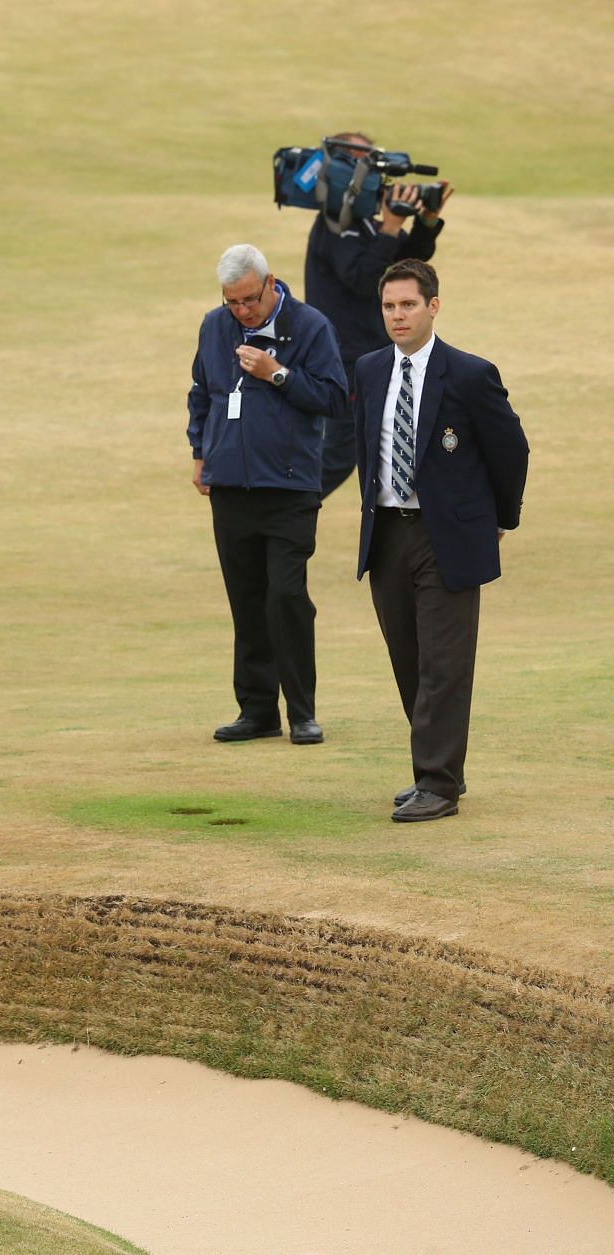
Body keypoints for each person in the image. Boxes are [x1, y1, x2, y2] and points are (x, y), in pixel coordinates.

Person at [354, 260, 526, 822]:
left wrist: (500, 518)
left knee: (444, 665)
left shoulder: (471, 374)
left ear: (433, 306)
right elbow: (366, 450)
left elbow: (510, 450)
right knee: (409, 659)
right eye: (388, 306)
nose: (397, 316)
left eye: (407, 305)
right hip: (387, 534)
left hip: (447, 537)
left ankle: (436, 783)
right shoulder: (370, 369)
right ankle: (442, 768)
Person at [187, 245, 347, 745]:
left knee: (287, 596)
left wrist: (277, 374)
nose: (242, 311)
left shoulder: (310, 326)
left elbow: (334, 397)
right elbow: (201, 392)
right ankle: (257, 710)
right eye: (232, 302)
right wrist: (200, 451)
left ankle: (302, 711)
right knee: (247, 599)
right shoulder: (214, 326)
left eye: (250, 300)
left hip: (290, 485)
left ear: (270, 283)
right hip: (230, 485)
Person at [303, 131, 451, 497]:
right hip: (345, 360)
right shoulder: (336, 225)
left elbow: (407, 264)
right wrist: (389, 226)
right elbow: (364, 279)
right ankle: (285, 510)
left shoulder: (365, 220)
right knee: (339, 451)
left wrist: (427, 221)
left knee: (390, 442)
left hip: (374, 356)